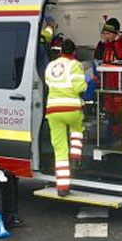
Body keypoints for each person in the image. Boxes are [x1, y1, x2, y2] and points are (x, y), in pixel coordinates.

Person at [44, 39, 88, 196]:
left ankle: (62, 188)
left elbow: (49, 83)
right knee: (77, 129)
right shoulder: (75, 65)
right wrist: (87, 84)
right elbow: (79, 87)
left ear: (61, 51)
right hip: (71, 108)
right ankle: (76, 157)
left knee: (60, 148)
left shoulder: (51, 65)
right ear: (74, 52)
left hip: (53, 110)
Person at [93, 18, 122, 145]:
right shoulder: (105, 45)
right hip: (107, 86)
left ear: (116, 34)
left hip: (121, 86)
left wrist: (116, 42)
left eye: (108, 34)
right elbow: (97, 58)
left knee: (120, 115)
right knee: (110, 114)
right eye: (104, 33)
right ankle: (110, 139)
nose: (106, 36)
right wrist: (101, 43)